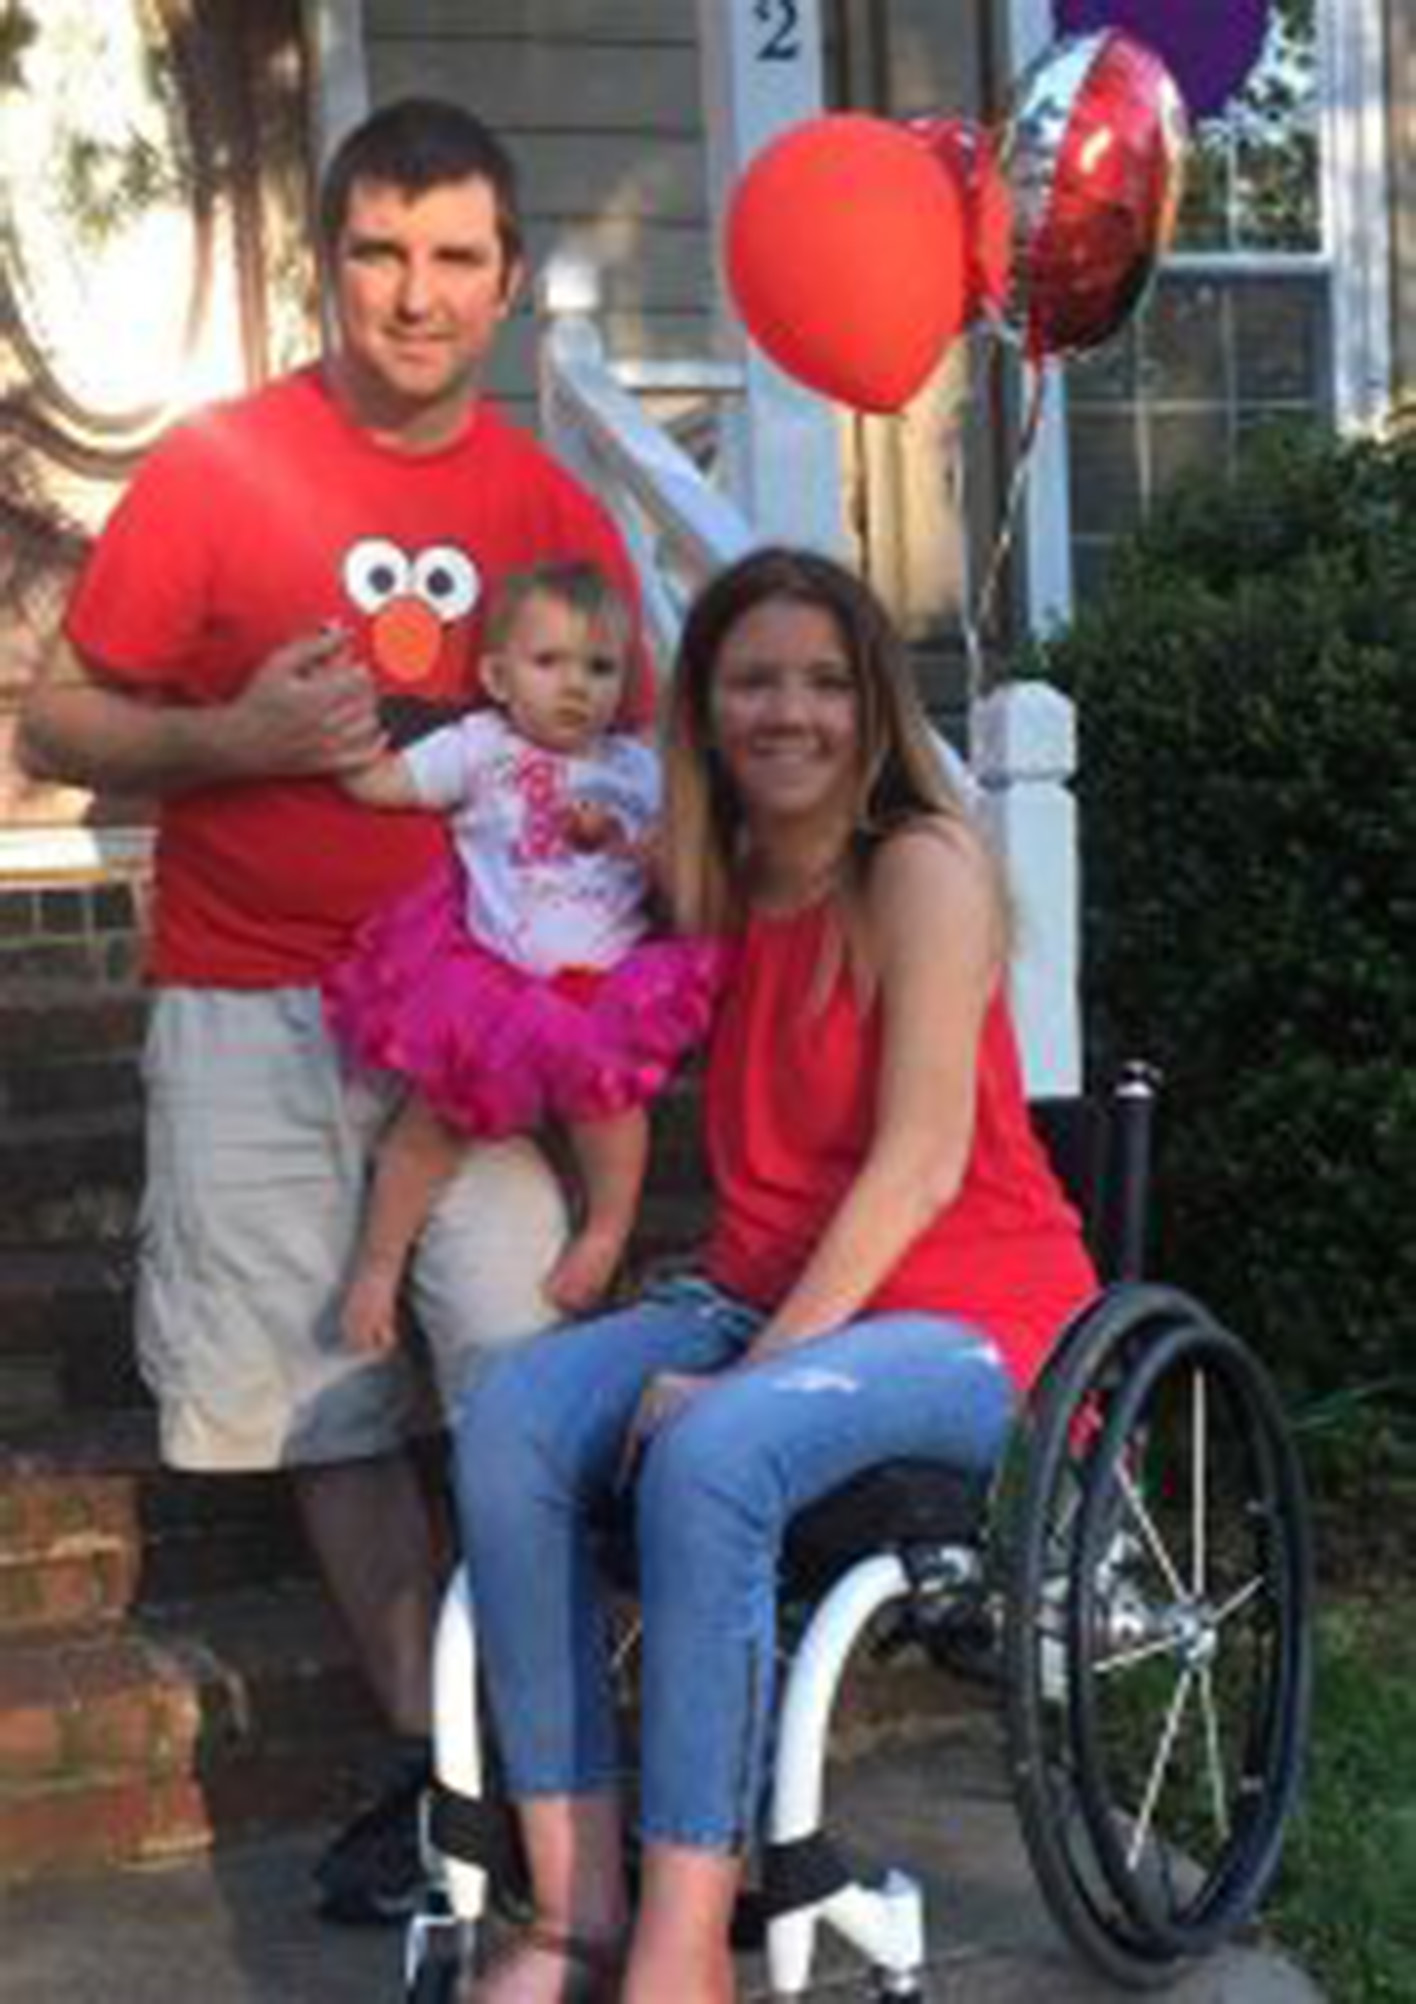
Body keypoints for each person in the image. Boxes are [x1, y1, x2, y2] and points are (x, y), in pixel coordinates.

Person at [14, 96, 652, 1925]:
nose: (415, 294)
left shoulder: (551, 513)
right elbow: (58, 714)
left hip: (470, 1047)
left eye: (454, 257)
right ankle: (446, 1779)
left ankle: (556, 1758)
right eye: (380, 252)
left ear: (507, 281)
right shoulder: (216, 469)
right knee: (324, 1416)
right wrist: (240, 736)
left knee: (521, 1371)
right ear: (328, 265)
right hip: (248, 1010)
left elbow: (639, 767)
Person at [454, 547, 1100, 2003]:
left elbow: (917, 1165)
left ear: (872, 704)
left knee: (716, 1452)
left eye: (824, 681)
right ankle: (577, 1907)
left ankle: (684, 1943)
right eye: (753, 681)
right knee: (510, 1424)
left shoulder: (922, 868)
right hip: (760, 1289)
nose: (789, 711)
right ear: (704, 708)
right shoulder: (718, 880)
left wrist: (746, 1373)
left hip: (970, 1319)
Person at [324, 557, 722, 1349]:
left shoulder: (634, 767)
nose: (576, 687)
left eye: (600, 668)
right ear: (498, 678)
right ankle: (378, 1265)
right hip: (496, 991)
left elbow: (676, 860)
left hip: (600, 988)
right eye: (549, 663)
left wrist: (630, 841)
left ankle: (605, 1231)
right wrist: (341, 739)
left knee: (611, 1108)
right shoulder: (481, 747)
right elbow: (385, 785)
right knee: (432, 1123)